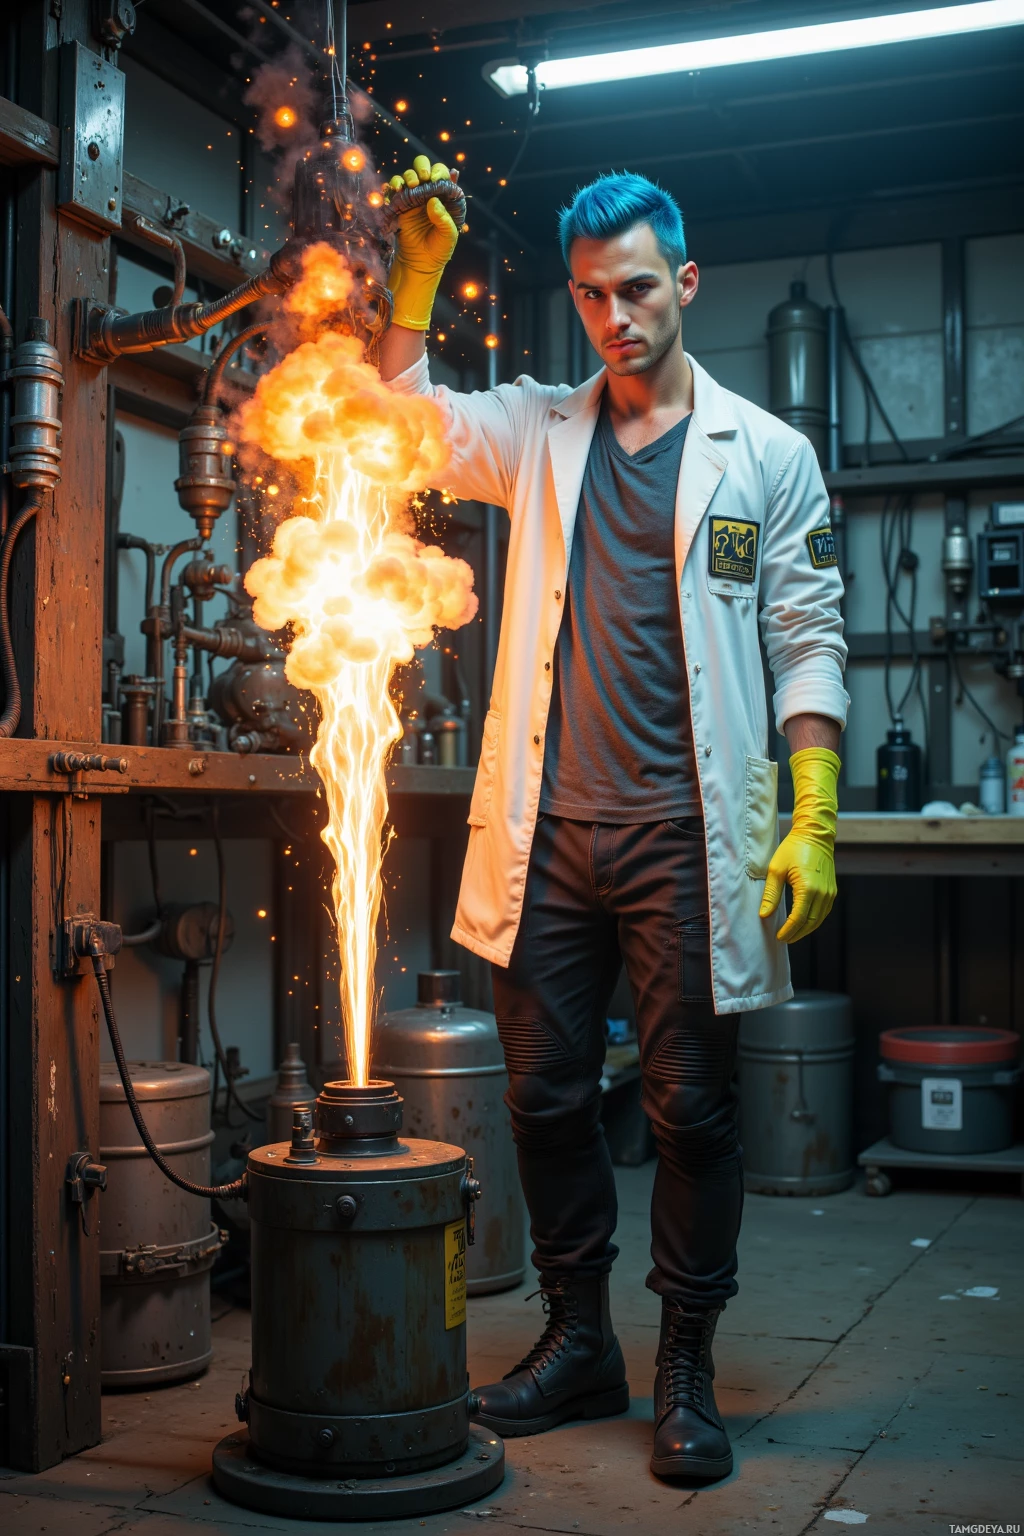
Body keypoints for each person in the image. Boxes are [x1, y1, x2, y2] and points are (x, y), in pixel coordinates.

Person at [380, 158, 848, 1483]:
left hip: (688, 839)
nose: (613, 316)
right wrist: (414, 280)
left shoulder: (770, 456)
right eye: (590, 295)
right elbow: (400, 426)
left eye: (636, 288)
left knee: (693, 1109)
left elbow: (810, 639)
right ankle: (579, 1340)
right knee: (540, 1094)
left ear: (687, 282)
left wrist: (811, 810)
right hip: (548, 833)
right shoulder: (539, 429)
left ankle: (686, 1362)